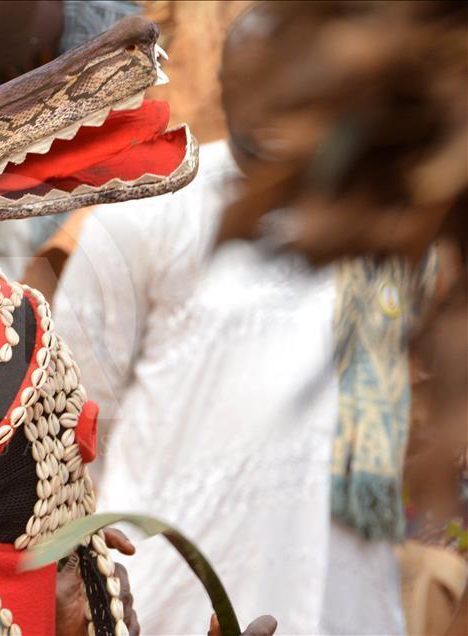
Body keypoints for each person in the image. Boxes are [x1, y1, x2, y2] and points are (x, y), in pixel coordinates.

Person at [53, 5, 437, 633]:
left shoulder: (387, 228)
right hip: (174, 600)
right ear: (224, 89)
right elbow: (73, 420)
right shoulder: (149, 215)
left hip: (350, 603)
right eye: (253, 86)